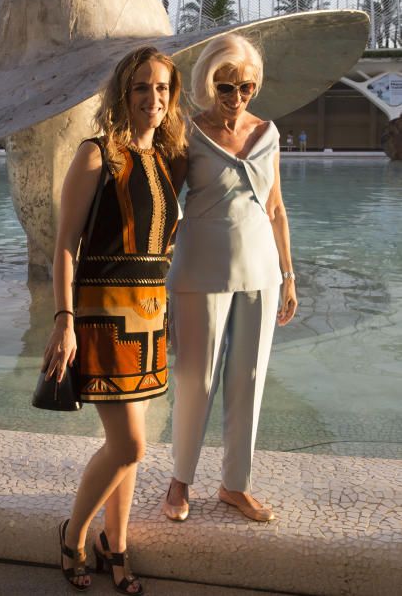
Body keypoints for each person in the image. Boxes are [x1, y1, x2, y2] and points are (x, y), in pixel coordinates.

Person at [42, 46, 185, 592]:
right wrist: (63, 318)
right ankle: (74, 535)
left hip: (150, 318)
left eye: (163, 89)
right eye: (142, 88)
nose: (153, 99)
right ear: (123, 93)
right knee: (130, 445)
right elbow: (64, 247)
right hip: (103, 317)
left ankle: (116, 543)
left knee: (131, 443)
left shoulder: (163, 160)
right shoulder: (97, 154)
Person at [163, 33, 297, 524]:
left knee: (250, 379)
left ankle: (234, 486)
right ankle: (179, 482)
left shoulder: (269, 133)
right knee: (195, 379)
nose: (236, 98)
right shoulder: (186, 133)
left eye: (245, 87)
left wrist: (288, 273)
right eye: (226, 87)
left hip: (262, 271)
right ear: (207, 83)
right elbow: (162, 203)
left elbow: (277, 207)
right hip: (199, 271)